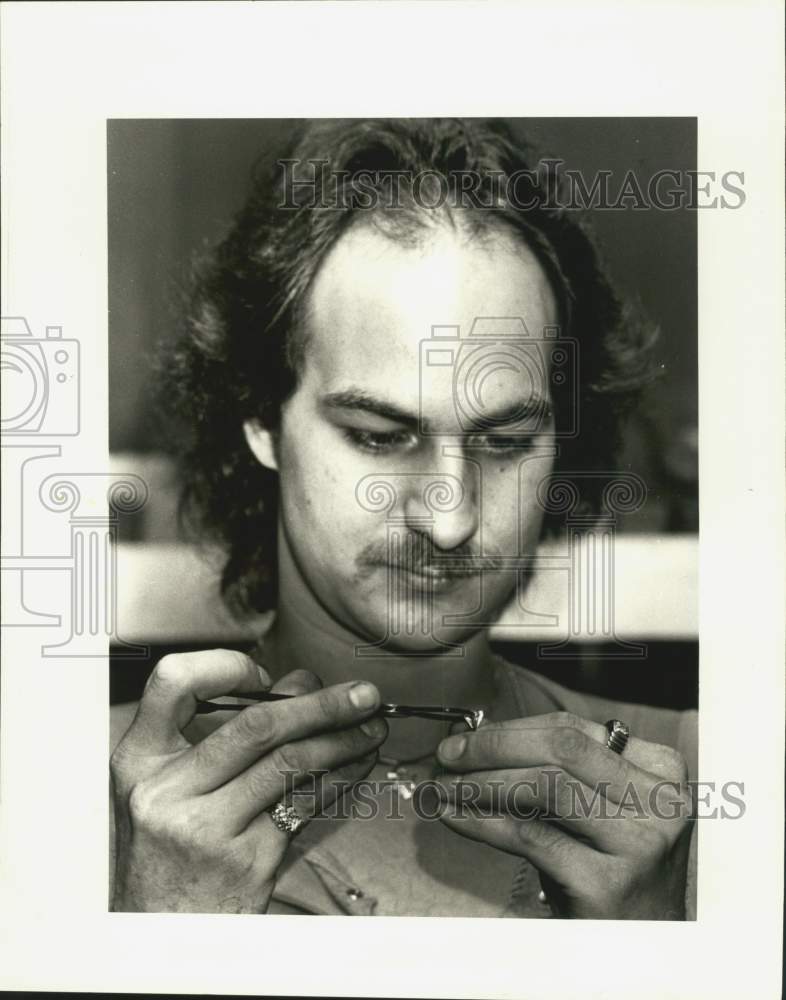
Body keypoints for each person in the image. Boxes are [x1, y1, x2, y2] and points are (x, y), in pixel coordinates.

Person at [110, 118, 697, 918]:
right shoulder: (70, 783)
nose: (449, 521)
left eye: (506, 442)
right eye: (380, 437)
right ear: (259, 418)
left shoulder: (694, 776)